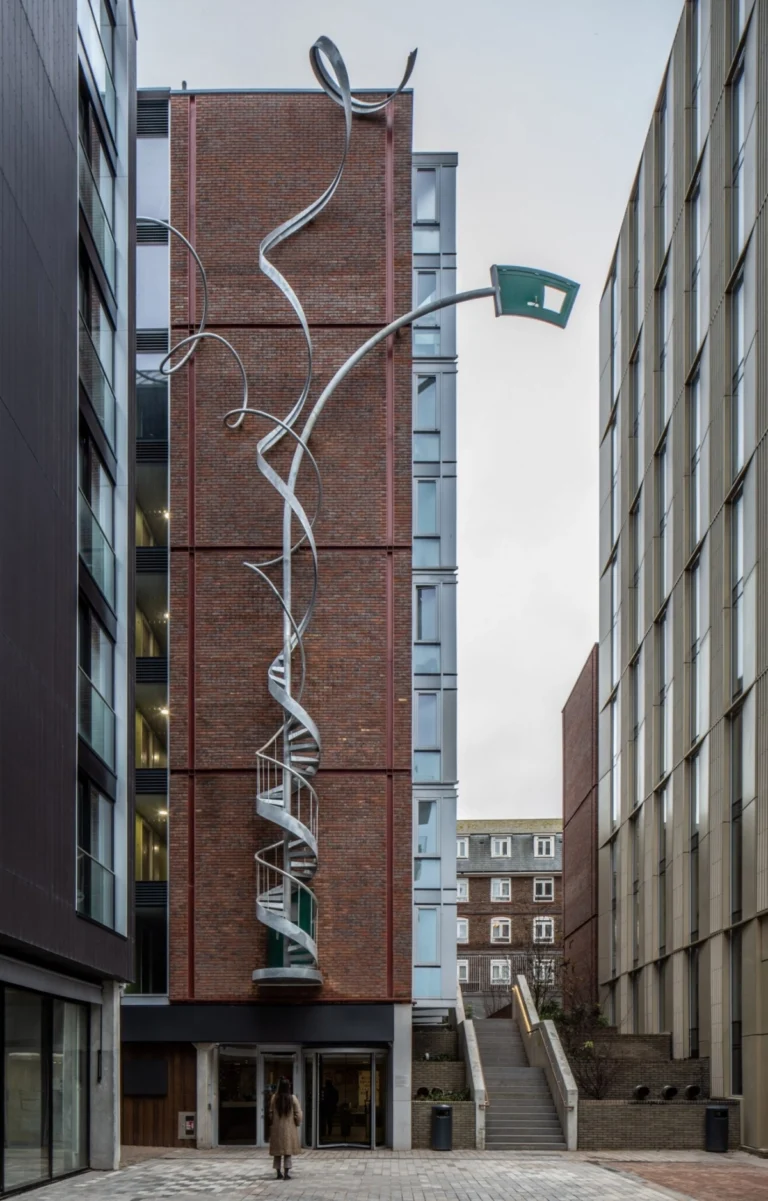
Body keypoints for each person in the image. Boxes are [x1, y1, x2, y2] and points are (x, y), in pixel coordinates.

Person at [269, 1077, 302, 1180]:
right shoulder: (292, 1098)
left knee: (277, 1152)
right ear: (288, 1087)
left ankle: (278, 1173)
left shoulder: (274, 1098)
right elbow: (298, 1113)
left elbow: (270, 1113)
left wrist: (272, 1122)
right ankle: (286, 1173)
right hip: (289, 1129)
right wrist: (297, 1122)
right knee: (287, 1152)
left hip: (277, 1129)